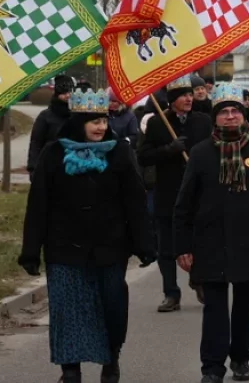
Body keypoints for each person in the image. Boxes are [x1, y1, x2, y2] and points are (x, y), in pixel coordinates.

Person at [20, 89, 153, 383]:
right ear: (78, 121)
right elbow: (38, 203)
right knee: (68, 309)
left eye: (104, 120)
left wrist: (144, 244)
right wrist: (31, 250)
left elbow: (134, 200)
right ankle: (70, 370)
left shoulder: (119, 151)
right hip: (64, 247)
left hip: (110, 246)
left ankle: (111, 358)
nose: (101, 127)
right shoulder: (54, 153)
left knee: (112, 306)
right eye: (93, 121)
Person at [174, 83, 249, 383]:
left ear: (243, 116)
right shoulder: (201, 153)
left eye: (235, 111)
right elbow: (184, 204)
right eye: (224, 112)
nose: (230, 117)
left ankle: (240, 358)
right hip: (209, 241)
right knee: (214, 308)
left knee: (245, 306)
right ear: (215, 118)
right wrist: (182, 246)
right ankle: (212, 367)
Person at [137, 75, 213, 312]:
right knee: (167, 248)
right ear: (172, 100)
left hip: (197, 195)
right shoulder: (158, 123)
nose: (189, 98)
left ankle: (198, 279)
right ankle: (171, 293)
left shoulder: (203, 121)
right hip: (168, 194)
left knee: (199, 243)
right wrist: (169, 150)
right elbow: (144, 155)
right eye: (183, 95)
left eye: (190, 94)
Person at [28, 74, 75, 173]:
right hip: (50, 165)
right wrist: (33, 168)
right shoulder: (45, 116)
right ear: (57, 93)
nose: (67, 95)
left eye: (70, 91)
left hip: (74, 165)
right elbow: (36, 143)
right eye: (64, 92)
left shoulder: (77, 114)